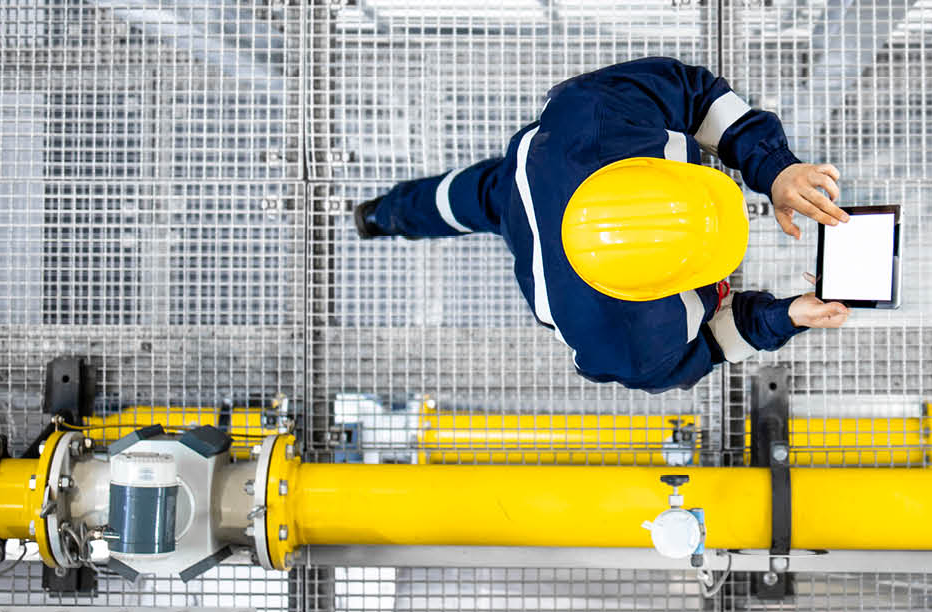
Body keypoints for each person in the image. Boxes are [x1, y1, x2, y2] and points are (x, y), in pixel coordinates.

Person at [354, 56, 852, 392]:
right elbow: (714, 346)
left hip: (533, 177)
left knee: (461, 198)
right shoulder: (630, 345)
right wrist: (786, 317)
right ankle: (378, 216)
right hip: (534, 216)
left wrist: (777, 168)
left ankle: (380, 215)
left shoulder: (598, 114)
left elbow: (696, 95)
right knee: (472, 198)